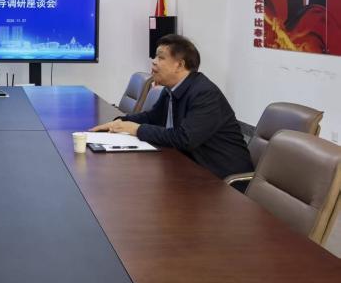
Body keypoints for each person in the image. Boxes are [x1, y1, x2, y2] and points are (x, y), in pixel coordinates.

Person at [90, 34, 253, 179]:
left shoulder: (204, 93)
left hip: (219, 179)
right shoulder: (171, 89)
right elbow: (152, 117)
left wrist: (137, 129)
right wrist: (121, 122)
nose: (154, 61)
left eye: (160, 58)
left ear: (179, 65)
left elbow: (185, 139)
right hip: (188, 167)